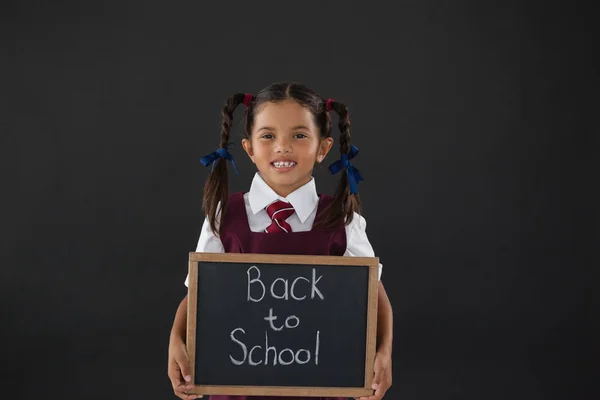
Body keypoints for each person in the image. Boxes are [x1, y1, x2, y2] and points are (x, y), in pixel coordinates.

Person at [167, 82, 393, 400]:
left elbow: (374, 292)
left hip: (321, 386)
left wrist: (384, 351)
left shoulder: (342, 218)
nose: (282, 147)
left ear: (323, 148)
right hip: (237, 388)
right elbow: (198, 294)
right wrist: (176, 340)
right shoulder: (224, 216)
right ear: (249, 148)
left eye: (299, 135)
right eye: (268, 136)